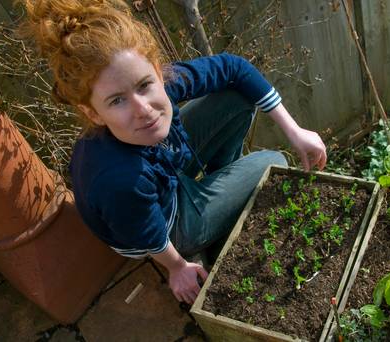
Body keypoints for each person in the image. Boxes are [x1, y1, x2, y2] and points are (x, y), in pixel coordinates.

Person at [19, 0, 327, 305]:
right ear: (93, 113)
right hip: (163, 225)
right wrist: (177, 267)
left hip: (160, 176)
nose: (144, 108)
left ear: (156, 71)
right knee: (274, 161)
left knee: (235, 96)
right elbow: (147, 233)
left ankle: (221, 194)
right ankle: (204, 227)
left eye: (144, 85)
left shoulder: (158, 91)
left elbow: (234, 68)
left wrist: (295, 131)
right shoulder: (120, 178)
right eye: (116, 101)